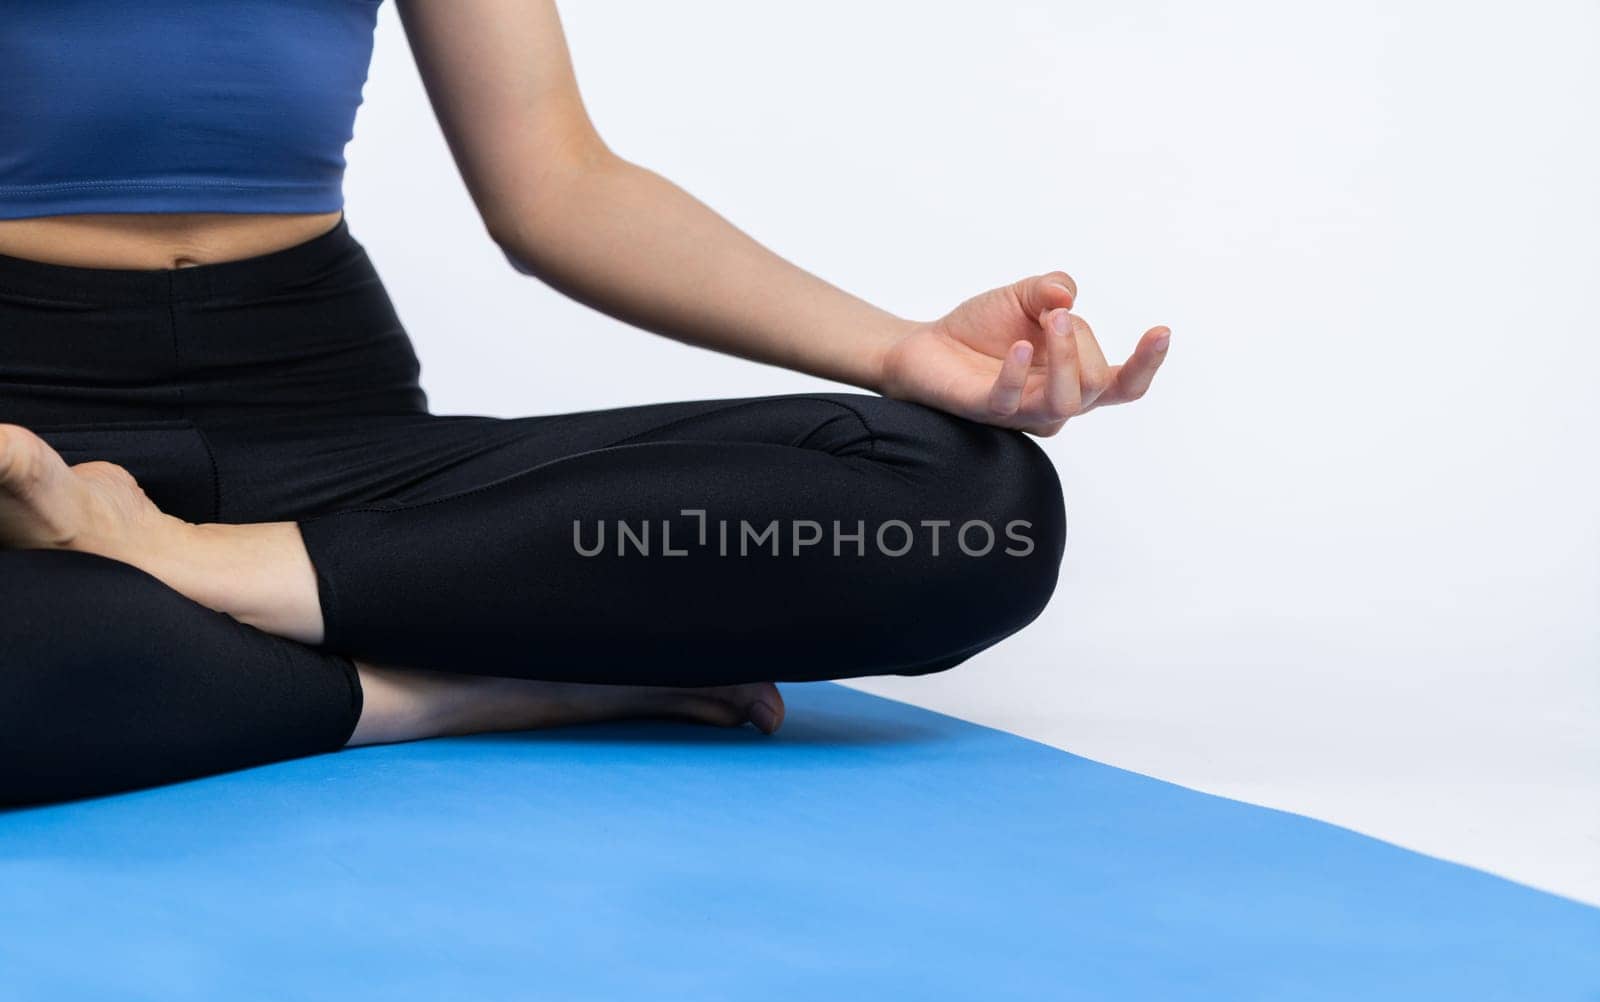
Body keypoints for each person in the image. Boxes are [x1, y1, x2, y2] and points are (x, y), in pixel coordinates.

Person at [0, 0, 1169, 807]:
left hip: (326, 425)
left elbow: (555, 185)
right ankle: (445, 686)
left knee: (968, 514)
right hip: (25, 447)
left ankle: (218, 574)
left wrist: (900, 353)